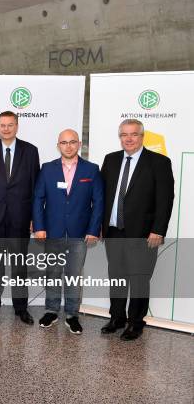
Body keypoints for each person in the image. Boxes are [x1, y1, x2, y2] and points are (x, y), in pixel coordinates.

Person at [100, 119, 174, 341]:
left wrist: (158, 230)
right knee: (117, 277)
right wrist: (100, 226)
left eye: (133, 134)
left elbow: (165, 200)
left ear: (142, 137)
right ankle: (117, 318)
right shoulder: (111, 160)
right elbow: (103, 196)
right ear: (120, 137)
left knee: (139, 279)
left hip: (143, 234)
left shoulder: (159, 162)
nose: (129, 139)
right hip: (113, 232)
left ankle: (135, 323)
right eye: (124, 134)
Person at [32, 129, 103, 334]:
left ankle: (72, 314)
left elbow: (98, 202)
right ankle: (51, 311)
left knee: (73, 275)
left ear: (79, 144)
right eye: (64, 142)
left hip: (79, 233)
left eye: (72, 142)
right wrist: (39, 227)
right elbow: (38, 199)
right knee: (53, 273)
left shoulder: (91, 170)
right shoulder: (47, 169)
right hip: (52, 231)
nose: (68, 146)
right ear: (58, 145)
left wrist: (93, 229)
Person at [0, 111, 40, 325]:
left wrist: (34, 218)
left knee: (19, 265)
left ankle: (21, 308)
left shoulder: (31, 151)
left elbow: (36, 189)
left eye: (10, 125)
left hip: (20, 218)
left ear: (17, 126)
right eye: (2, 125)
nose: (6, 128)